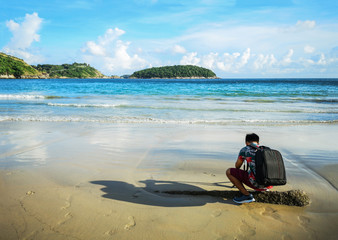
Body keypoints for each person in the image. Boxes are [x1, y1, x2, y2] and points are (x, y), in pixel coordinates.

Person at [226, 133, 272, 204]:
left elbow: (237, 166)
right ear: (258, 142)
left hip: (257, 183)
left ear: (246, 143)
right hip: (269, 184)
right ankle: (264, 188)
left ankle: (246, 195)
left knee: (229, 171)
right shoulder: (265, 150)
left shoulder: (245, 149)